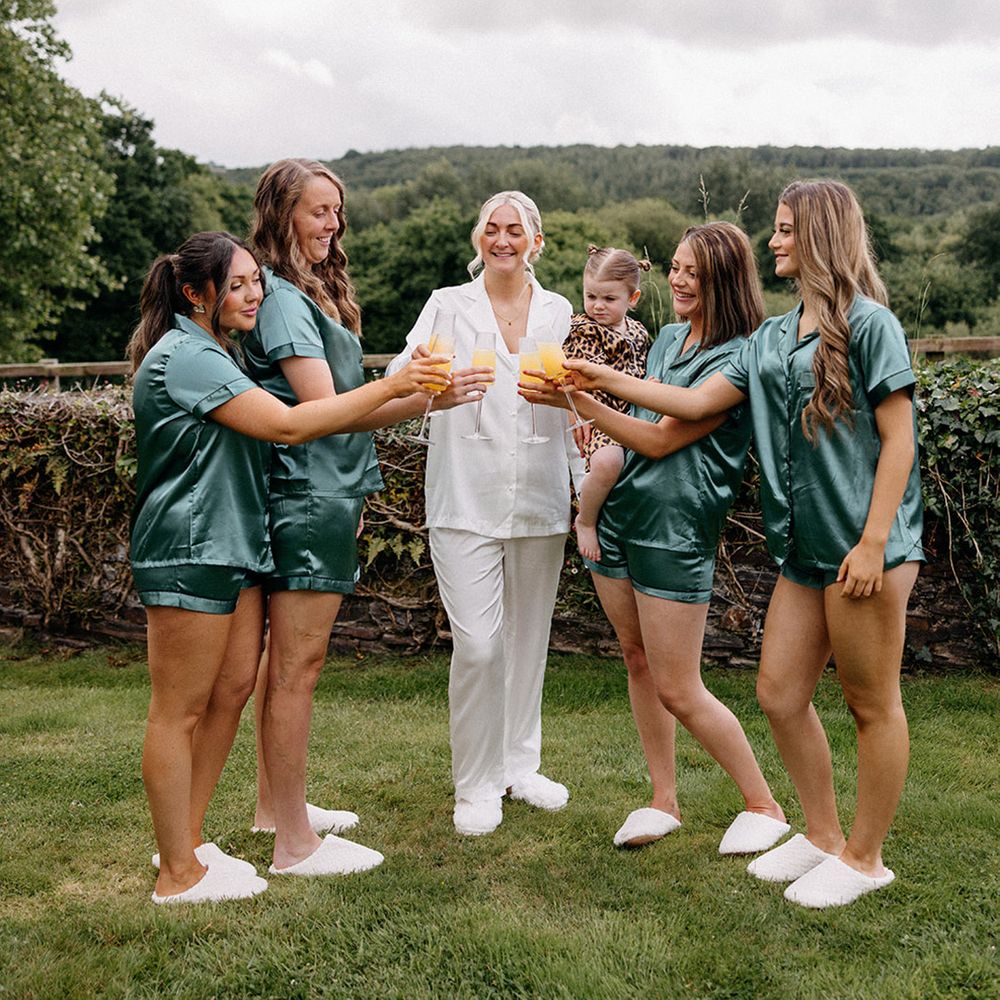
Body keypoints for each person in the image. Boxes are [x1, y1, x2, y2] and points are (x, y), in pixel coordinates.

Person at [563, 180, 923, 908]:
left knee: (869, 702)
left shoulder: (871, 324)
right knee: (779, 693)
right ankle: (820, 835)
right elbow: (692, 404)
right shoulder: (770, 337)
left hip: (865, 547)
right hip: (804, 546)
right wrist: (594, 382)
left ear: (820, 235)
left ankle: (864, 857)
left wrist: (875, 539)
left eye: (786, 230)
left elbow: (900, 439)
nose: (774, 241)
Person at [129, 231, 447, 903]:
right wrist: (395, 382)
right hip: (190, 545)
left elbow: (317, 415)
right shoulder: (187, 356)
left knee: (232, 689)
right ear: (195, 294)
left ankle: (189, 843)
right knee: (178, 710)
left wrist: (423, 399)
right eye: (237, 285)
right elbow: (291, 425)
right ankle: (175, 874)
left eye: (256, 283)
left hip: (232, 542)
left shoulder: (220, 351)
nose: (253, 295)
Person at [241, 159, 486, 875]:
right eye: (320, 211)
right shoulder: (283, 299)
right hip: (308, 493)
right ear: (284, 213)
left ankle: (272, 807)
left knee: (281, 666)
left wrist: (435, 397)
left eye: (336, 211)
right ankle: (293, 843)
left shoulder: (298, 293)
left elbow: (355, 408)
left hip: (326, 486)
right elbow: (323, 414)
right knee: (296, 667)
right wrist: (402, 387)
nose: (333, 224)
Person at [521, 223, 788, 855]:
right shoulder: (666, 337)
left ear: (723, 278)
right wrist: (573, 404)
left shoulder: (740, 357)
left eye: (694, 271)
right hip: (620, 517)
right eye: (674, 267)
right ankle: (662, 799)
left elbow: (668, 433)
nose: (679, 280)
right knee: (637, 659)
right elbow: (637, 425)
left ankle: (765, 805)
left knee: (679, 685)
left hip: (674, 530)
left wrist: (588, 394)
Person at [387, 190, 584, 836]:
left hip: (540, 496)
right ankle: (474, 784)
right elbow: (399, 373)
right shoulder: (448, 305)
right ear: (479, 239)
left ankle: (519, 765)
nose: (502, 240)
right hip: (464, 498)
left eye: (515, 231)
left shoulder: (557, 311)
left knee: (528, 640)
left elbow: (580, 406)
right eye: (491, 230)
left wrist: (583, 490)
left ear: (536, 242)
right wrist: (432, 382)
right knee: (477, 644)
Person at [563, 245, 651, 563]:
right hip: (601, 415)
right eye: (591, 296)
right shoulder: (583, 330)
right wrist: (578, 417)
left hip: (639, 412)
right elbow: (575, 381)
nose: (597, 306)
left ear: (633, 299)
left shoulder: (639, 332)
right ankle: (586, 520)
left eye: (609, 299)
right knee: (608, 462)